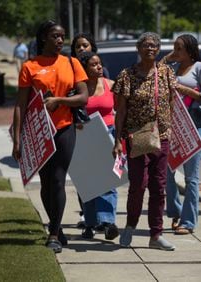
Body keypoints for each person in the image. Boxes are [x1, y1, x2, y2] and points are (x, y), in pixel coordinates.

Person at [12, 20, 88, 253]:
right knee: (45, 182)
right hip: (39, 132)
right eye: (55, 36)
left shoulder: (72, 63)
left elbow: (84, 97)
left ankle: (53, 233)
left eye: (62, 36)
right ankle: (56, 225)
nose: (60, 41)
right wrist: (17, 138)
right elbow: (20, 105)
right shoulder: (30, 66)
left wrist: (60, 101)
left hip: (64, 128)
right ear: (43, 38)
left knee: (57, 178)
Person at [112, 32, 176, 251]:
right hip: (136, 136)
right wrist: (118, 140)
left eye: (155, 46)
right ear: (139, 49)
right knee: (138, 185)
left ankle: (156, 234)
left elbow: (171, 102)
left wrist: (170, 128)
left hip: (162, 136)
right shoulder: (127, 75)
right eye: (146, 45)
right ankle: (130, 224)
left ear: (158, 50)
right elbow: (120, 110)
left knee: (159, 187)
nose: (151, 49)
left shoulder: (166, 72)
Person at [161, 34, 201, 235]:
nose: (175, 51)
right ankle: (175, 212)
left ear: (190, 51)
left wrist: (184, 89)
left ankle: (188, 222)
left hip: (194, 128)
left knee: (191, 177)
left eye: (179, 48)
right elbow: (157, 74)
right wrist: (168, 57)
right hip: (174, 128)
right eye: (174, 47)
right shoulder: (172, 68)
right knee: (167, 173)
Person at [76, 51, 119, 240]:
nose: (99, 67)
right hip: (86, 135)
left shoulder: (110, 85)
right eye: (93, 65)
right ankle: (91, 223)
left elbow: (122, 110)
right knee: (89, 183)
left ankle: (108, 222)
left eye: (100, 64)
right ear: (84, 69)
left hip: (109, 133)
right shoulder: (78, 89)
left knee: (109, 179)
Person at [70, 33, 109, 228]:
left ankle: (105, 220)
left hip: (105, 131)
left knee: (107, 178)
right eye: (78, 46)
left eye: (85, 45)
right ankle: (88, 216)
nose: (81, 49)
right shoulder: (71, 74)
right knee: (85, 179)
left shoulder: (103, 73)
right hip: (82, 131)